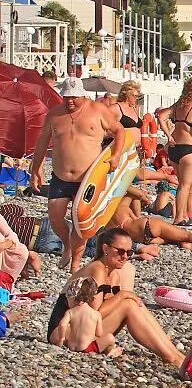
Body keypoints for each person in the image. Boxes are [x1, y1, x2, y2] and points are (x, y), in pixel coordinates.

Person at [47, 228, 183, 366]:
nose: (125, 256)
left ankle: (176, 355)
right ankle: (171, 357)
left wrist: (124, 297)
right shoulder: (97, 269)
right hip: (63, 333)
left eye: (129, 252)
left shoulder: (114, 274)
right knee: (128, 304)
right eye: (120, 251)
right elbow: (93, 313)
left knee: (132, 303)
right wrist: (122, 295)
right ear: (105, 248)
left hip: (82, 331)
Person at [28, 77, 124, 270]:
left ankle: (75, 262)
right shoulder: (54, 114)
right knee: (55, 218)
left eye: (73, 97)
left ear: (82, 95)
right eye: (66, 97)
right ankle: (66, 244)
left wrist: (116, 156)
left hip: (88, 178)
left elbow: (119, 131)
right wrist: (35, 168)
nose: (69, 101)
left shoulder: (97, 110)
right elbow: (42, 142)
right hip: (60, 176)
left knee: (79, 220)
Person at [165, 78, 192, 225]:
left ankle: (182, 216)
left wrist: (168, 135)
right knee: (185, 185)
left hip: (174, 148)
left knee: (181, 185)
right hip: (188, 148)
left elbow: (160, 115)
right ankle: (178, 219)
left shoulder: (177, 106)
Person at [49, 277, 121, 357]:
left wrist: (61, 339)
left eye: (68, 299)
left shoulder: (70, 312)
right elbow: (99, 333)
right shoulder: (96, 314)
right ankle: (108, 353)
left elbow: (62, 325)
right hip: (87, 349)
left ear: (73, 298)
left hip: (71, 346)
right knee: (110, 338)